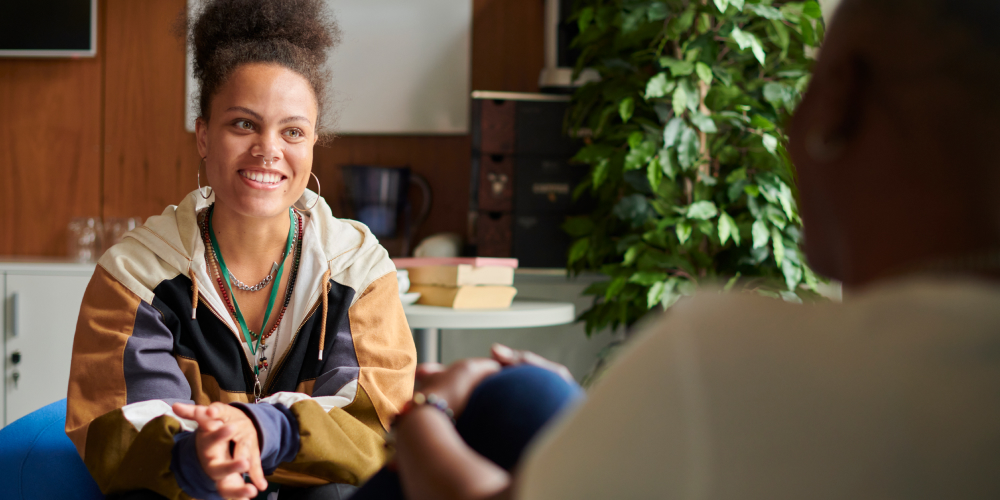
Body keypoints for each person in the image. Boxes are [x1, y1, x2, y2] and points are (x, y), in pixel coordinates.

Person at [348, 0, 1000, 498]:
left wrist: (426, 409)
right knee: (535, 397)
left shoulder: (734, 354)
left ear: (835, 104)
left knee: (512, 397)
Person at [64, 1, 416, 499]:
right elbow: (118, 429)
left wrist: (262, 430)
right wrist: (200, 454)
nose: (268, 150)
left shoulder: (359, 271)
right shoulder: (135, 275)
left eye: (292, 131)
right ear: (204, 135)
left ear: (313, 143)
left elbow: (373, 424)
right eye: (243, 124)